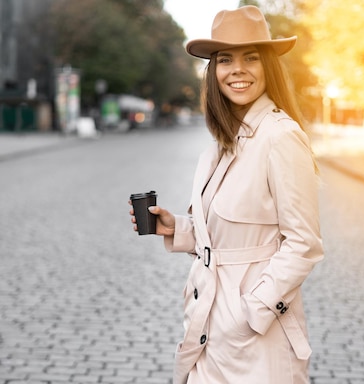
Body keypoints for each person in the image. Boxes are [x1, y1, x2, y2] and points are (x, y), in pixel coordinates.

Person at [129, 5, 324, 384]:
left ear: (268, 66)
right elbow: (235, 231)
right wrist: (180, 229)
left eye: (251, 57)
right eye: (225, 59)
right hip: (206, 327)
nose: (237, 69)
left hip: (256, 339)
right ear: (213, 71)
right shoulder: (222, 143)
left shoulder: (280, 137)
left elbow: (304, 243)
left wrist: (253, 309)